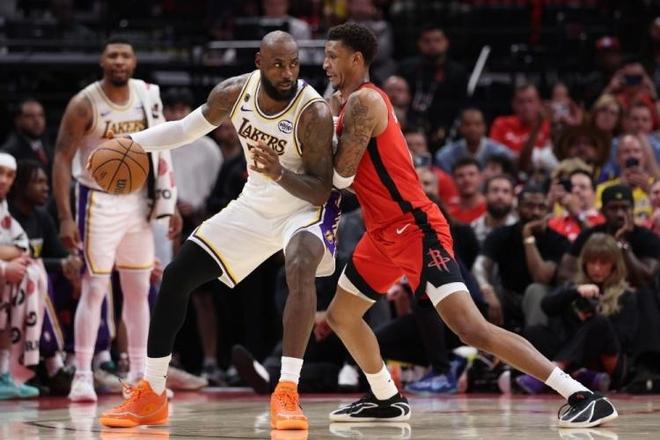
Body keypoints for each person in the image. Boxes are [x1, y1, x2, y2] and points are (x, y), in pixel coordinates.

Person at [322, 22, 617, 428]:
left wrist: (304, 146)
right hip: (382, 233)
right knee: (341, 316)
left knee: (471, 329)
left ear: (356, 59)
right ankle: (385, 398)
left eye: (332, 56)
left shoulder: (363, 102)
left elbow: (340, 177)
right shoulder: (344, 105)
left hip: (416, 229)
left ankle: (581, 395)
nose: (325, 64)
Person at [99, 31, 339, 431]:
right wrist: (131, 143)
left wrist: (279, 172)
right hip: (256, 203)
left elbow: (322, 189)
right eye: (278, 64)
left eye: (294, 64)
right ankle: (152, 392)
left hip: (305, 209)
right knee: (177, 276)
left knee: (299, 267)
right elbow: (182, 131)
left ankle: (287, 391)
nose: (287, 73)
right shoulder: (233, 93)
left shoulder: (311, 112)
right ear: (259, 62)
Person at [52, 36, 179, 402]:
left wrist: (169, 201)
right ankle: (82, 375)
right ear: (102, 62)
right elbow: (61, 158)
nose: (119, 61)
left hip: (138, 201)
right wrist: (64, 217)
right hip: (97, 200)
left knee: (139, 289)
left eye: (125, 55)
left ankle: (140, 373)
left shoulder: (146, 96)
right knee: (94, 287)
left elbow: (163, 146)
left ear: (134, 62)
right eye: (113, 55)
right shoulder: (85, 103)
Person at [519, 233, 638, 394]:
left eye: (603, 263)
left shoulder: (626, 295)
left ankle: (554, 371)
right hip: (575, 353)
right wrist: (575, 291)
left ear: (614, 266)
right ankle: (581, 376)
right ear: (584, 263)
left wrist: (592, 320)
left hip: (606, 358)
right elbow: (547, 306)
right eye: (592, 262)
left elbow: (624, 339)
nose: (597, 268)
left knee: (598, 322)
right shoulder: (575, 288)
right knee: (535, 332)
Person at [1, 99, 53, 172]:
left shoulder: (49, 145)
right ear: (18, 120)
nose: (37, 121)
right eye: (30, 116)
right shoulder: (9, 152)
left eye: (41, 115)